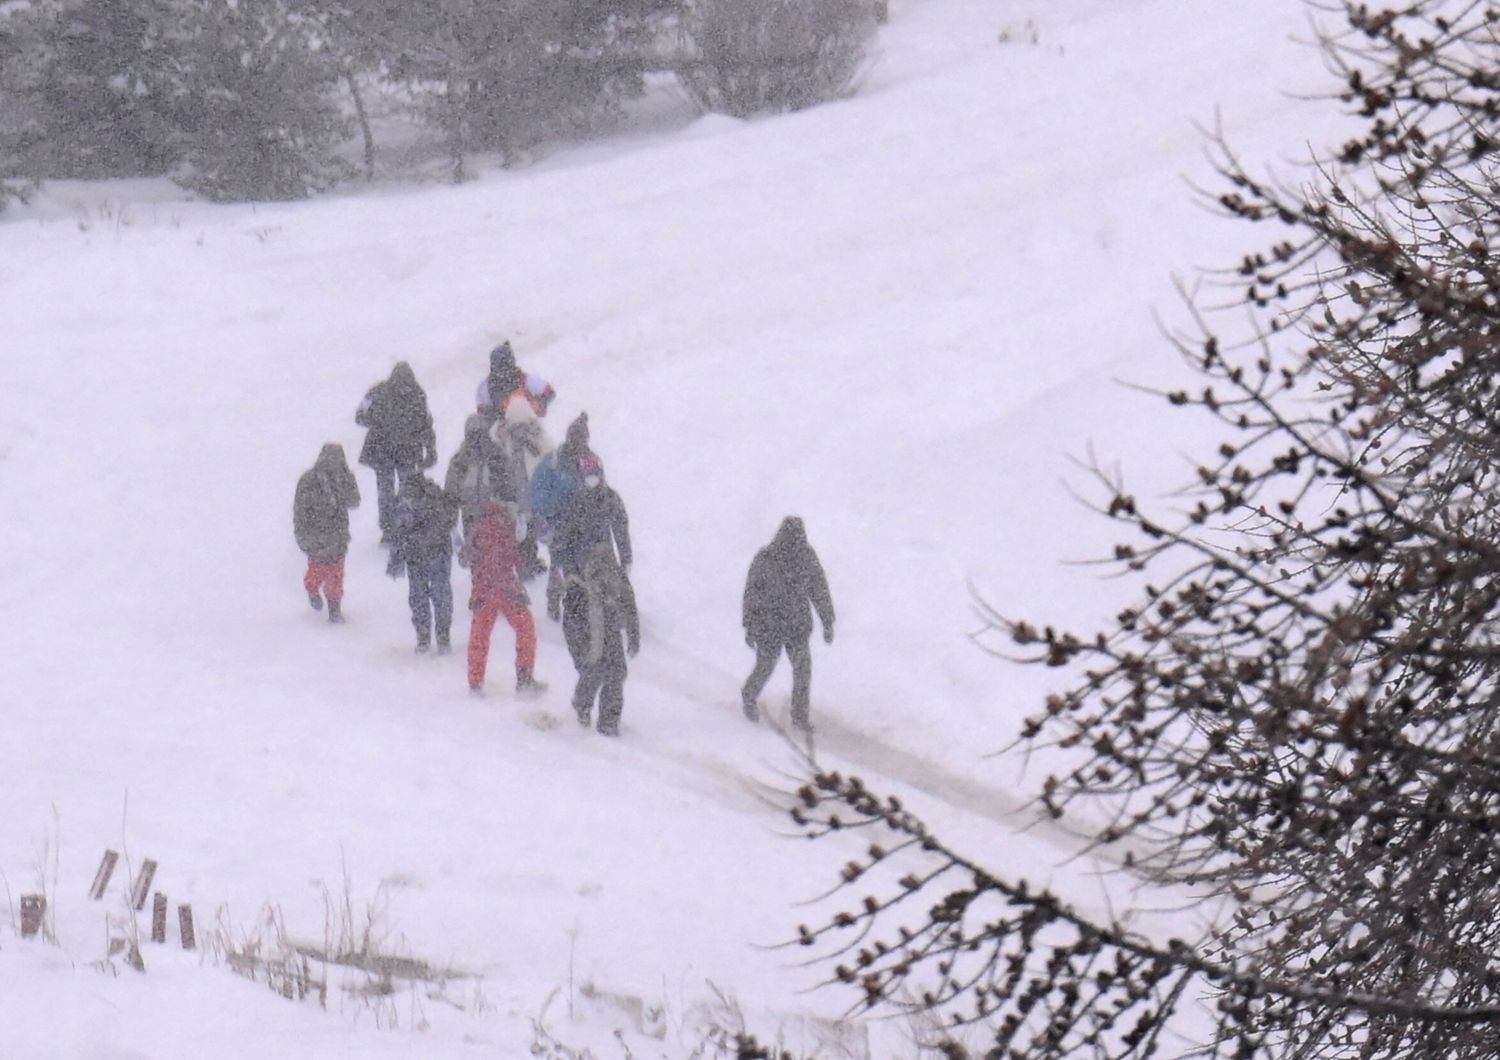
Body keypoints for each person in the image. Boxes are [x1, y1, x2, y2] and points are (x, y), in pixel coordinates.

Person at [740, 516, 835, 731]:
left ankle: (799, 716)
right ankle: (749, 695)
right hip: (769, 625)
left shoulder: (806, 558)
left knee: (802, 670)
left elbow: (819, 590)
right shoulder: (766, 558)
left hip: (796, 627)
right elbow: (752, 594)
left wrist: (828, 621)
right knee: (766, 666)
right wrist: (750, 625)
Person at [466, 501, 547, 697]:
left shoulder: (478, 528)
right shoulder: (506, 525)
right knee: (525, 628)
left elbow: (469, 557)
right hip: (506, 588)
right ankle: (524, 676)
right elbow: (514, 557)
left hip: (484, 590)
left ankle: (475, 682)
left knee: (479, 636)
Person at [562, 540, 640, 737]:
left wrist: (633, 634)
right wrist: (583, 649)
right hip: (584, 630)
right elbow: (571, 623)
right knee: (594, 670)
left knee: (617, 672)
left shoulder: (615, 575)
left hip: (608, 627)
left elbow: (629, 604)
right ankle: (582, 705)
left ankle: (608, 723)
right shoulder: (577, 590)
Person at [355, 362, 437, 543]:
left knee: (397, 490)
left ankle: (397, 528)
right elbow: (360, 416)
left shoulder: (382, 392)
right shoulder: (414, 394)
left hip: (391, 451)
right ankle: (393, 529)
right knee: (393, 491)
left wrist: (431, 449)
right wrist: (430, 449)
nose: (404, 390)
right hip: (396, 451)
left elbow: (425, 423)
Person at [530, 412, 595, 617]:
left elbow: (597, 487)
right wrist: (554, 511)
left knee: (583, 560)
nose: (579, 443)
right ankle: (555, 597)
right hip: (557, 523)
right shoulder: (553, 463)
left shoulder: (590, 461)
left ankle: (582, 598)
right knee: (560, 559)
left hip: (583, 521)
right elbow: (538, 495)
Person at [550, 451, 631, 612]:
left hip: (604, 555)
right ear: (581, 476)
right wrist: (560, 561)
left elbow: (620, 529)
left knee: (617, 590)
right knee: (576, 600)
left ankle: (618, 616)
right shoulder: (573, 500)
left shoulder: (610, 497)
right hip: (577, 558)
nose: (592, 479)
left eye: (595, 475)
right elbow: (562, 533)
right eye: (588, 475)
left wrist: (626, 558)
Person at [388, 472, 456, 654]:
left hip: (416, 555)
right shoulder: (435, 497)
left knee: (419, 596)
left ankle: (424, 636)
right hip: (437, 553)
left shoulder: (402, 502)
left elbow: (397, 532)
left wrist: (396, 559)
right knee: (440, 595)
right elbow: (448, 521)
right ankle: (442, 636)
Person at [293, 443, 361, 623]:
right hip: (317, 536)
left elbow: (354, 501)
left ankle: (334, 610)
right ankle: (313, 590)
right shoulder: (309, 481)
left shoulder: (342, 479)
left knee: (335, 574)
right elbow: (300, 509)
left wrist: (346, 480)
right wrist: (302, 534)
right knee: (317, 570)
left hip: (337, 536)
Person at [445, 414, 515, 540]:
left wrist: (513, 516)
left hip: (496, 520)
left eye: (481, 435)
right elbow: (451, 497)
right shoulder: (460, 462)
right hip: (472, 520)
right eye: (473, 435)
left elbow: (510, 491)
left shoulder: (498, 458)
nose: (477, 440)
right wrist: (451, 526)